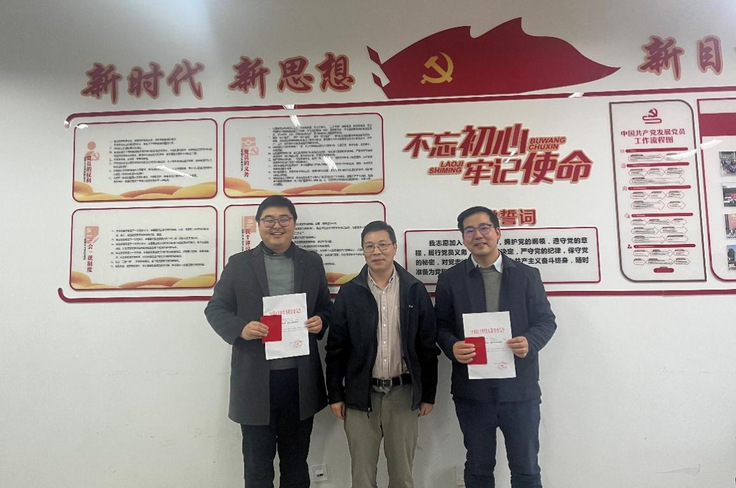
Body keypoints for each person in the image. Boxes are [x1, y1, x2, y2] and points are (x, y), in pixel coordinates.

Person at [204, 195, 333, 488]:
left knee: (296, 465)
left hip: (299, 381)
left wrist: (321, 321)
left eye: (284, 219)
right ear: (258, 225)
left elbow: (326, 307)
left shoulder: (312, 262)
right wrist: (241, 328)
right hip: (255, 382)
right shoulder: (239, 265)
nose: (277, 225)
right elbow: (215, 309)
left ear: (294, 223)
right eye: (269, 220)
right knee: (257, 468)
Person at [434, 206, 557, 488]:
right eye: (469, 230)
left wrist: (530, 341)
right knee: (478, 469)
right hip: (473, 392)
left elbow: (546, 321)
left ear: (498, 232)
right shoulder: (450, 279)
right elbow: (439, 325)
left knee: (526, 469)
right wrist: (452, 346)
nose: (478, 235)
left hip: (520, 391)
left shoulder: (526, 275)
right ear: (463, 238)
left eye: (484, 228)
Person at [325, 220, 438, 488]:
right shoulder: (350, 292)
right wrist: (335, 394)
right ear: (363, 251)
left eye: (383, 245)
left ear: (395, 248)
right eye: (369, 246)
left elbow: (427, 346)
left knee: (402, 477)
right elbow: (336, 348)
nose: (377, 251)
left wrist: (428, 394)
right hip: (360, 395)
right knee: (362, 478)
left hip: (403, 394)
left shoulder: (414, 289)